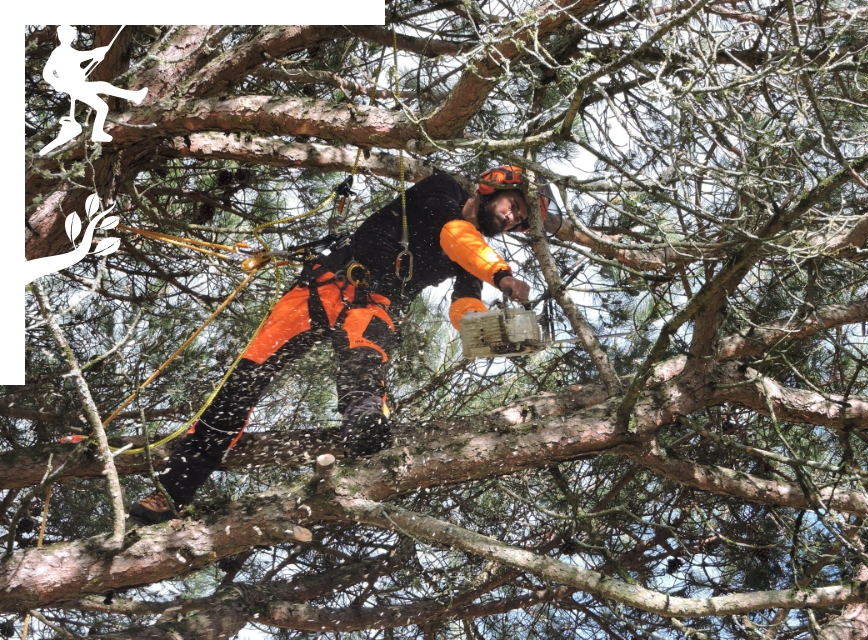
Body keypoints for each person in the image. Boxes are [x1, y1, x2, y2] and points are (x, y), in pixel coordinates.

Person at [129, 165, 540, 524]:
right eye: (513, 205)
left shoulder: (475, 256)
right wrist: (502, 275)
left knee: (364, 379)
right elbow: (454, 234)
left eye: (518, 219)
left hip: (373, 306)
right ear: (493, 185)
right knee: (243, 382)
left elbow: (464, 299)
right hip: (324, 284)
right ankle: (172, 492)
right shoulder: (443, 190)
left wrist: (481, 326)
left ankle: (366, 447)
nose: (510, 218)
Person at [41, 25, 147, 153]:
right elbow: (47, 73)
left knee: (102, 107)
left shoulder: (70, 51)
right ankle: (134, 97)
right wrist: (59, 84)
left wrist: (97, 54)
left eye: (70, 35)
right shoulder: (59, 52)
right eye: (65, 35)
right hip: (73, 86)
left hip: (77, 85)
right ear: (60, 36)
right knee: (103, 86)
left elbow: (79, 57)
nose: (68, 37)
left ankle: (97, 132)